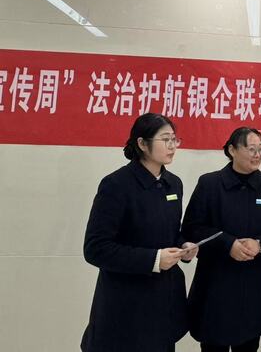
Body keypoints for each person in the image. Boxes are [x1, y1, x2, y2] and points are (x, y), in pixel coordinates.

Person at [81, 113, 198, 352]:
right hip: (126, 303)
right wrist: (154, 259)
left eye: (175, 139)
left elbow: (169, 232)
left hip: (164, 301)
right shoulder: (116, 185)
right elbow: (96, 248)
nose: (172, 146)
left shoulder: (173, 183)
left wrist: (184, 245)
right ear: (142, 144)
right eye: (165, 139)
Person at [182, 126, 261, 352]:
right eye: (251, 149)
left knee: (249, 343)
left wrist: (260, 244)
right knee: (213, 343)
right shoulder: (209, 183)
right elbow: (192, 228)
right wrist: (227, 244)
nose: (257, 155)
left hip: (253, 281)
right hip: (215, 282)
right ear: (232, 150)